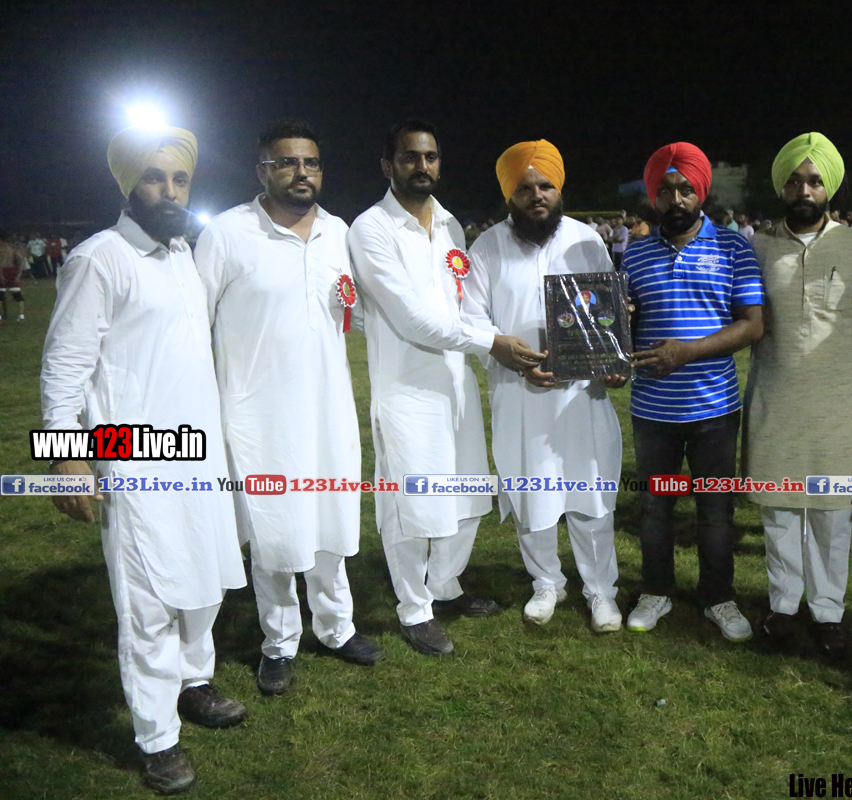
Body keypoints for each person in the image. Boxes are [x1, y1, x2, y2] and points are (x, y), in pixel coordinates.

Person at [41, 125, 247, 795]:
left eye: (180, 178)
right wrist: (65, 456)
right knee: (148, 596)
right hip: (133, 458)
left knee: (204, 577)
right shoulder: (99, 258)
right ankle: (158, 737)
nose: (170, 189)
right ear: (129, 185)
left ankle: (194, 681)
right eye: (155, 177)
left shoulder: (183, 253)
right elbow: (64, 364)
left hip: (199, 454)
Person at [195, 120, 382, 696]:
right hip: (258, 416)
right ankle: (279, 642)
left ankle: (336, 627)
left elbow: (357, 310)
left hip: (328, 408)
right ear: (262, 171)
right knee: (273, 531)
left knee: (329, 520)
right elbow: (195, 322)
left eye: (311, 163)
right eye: (287, 162)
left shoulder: (337, 232)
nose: (302, 173)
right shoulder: (227, 233)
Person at [348, 120, 541, 656]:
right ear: (388, 165)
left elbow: (462, 307)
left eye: (430, 156)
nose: (422, 166)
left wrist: (506, 350)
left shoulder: (451, 225)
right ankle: (414, 609)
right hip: (407, 390)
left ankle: (444, 585)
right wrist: (492, 343)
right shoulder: (371, 228)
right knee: (411, 503)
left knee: (470, 491)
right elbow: (412, 319)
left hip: (456, 383)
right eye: (410, 157)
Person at [462, 139, 625, 632]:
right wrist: (507, 354)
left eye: (546, 186)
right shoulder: (486, 248)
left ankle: (601, 591)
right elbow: (471, 320)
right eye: (525, 188)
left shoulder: (585, 241)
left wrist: (611, 360)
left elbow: (608, 312)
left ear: (559, 190)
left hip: (581, 396)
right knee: (531, 490)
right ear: (509, 195)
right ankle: (546, 582)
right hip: (519, 395)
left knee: (589, 492)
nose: (537, 196)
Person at [622, 142, 764, 641]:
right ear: (653, 196)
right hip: (653, 409)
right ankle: (656, 591)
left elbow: (751, 325)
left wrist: (687, 352)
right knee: (655, 507)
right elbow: (624, 325)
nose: (676, 198)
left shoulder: (733, 247)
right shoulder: (635, 253)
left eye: (685, 188)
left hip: (714, 407)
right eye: (665, 190)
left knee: (715, 511)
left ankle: (718, 597)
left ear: (701, 191)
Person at [743, 133, 852, 656]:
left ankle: (828, 612)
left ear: (830, 188)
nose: (804, 190)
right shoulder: (757, 246)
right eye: (795, 181)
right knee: (778, 510)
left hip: (837, 400)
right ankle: (783, 606)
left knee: (830, 513)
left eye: (815, 181)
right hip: (775, 393)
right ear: (781, 186)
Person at [0, 236, 25, 321]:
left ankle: (3, 314)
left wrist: (18, 274)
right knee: (14, 293)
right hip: (11, 270)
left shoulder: (5, 250)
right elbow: (21, 259)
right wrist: (19, 274)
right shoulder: (12, 249)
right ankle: (21, 315)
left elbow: (21, 260)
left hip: (6, 270)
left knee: (10, 293)